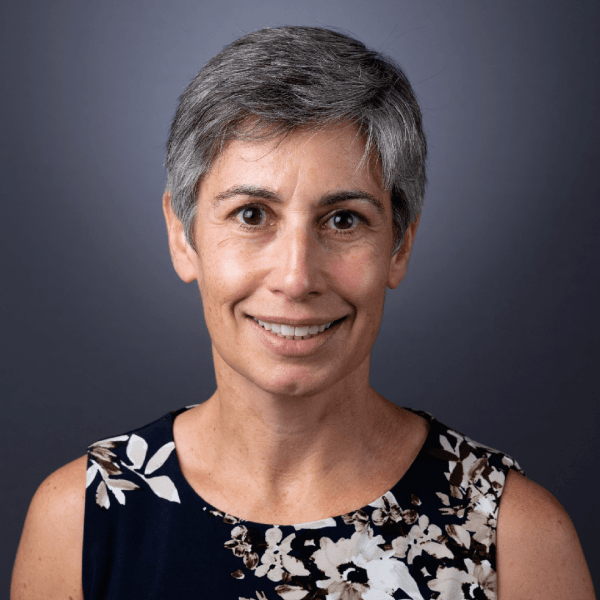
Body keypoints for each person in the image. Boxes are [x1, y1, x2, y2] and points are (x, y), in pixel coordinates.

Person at [11, 26, 594, 600]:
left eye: (343, 220)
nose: (295, 277)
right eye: (251, 215)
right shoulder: (82, 522)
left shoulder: (515, 538)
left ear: (400, 246)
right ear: (182, 237)